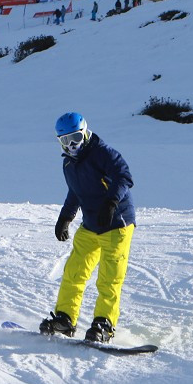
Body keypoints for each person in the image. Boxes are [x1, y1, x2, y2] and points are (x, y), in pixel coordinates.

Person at [40, 113, 137, 344]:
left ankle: (104, 324)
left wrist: (111, 202)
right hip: (91, 225)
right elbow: (75, 191)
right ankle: (65, 318)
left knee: (109, 278)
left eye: (75, 138)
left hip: (117, 223)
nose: (71, 145)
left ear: (85, 133)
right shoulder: (68, 163)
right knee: (74, 272)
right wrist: (65, 217)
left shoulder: (103, 153)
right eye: (65, 141)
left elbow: (123, 177)